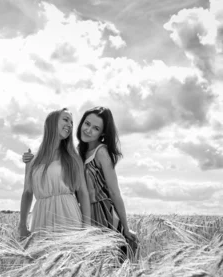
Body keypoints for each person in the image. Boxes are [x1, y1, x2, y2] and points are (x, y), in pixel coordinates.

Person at [23, 106, 137, 258]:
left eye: (95, 128)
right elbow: (28, 192)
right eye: (86, 124)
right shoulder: (70, 153)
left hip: (87, 214)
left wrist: (124, 227)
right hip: (57, 214)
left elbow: (107, 192)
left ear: (102, 133)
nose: (88, 130)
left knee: (90, 264)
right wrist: (21, 224)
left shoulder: (85, 155)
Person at [19, 108, 91, 240]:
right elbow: (27, 193)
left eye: (71, 122)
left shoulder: (73, 158)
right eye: (65, 119)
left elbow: (82, 192)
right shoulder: (32, 160)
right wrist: (22, 225)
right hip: (41, 217)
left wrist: (87, 228)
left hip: (68, 216)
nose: (69, 125)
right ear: (52, 123)